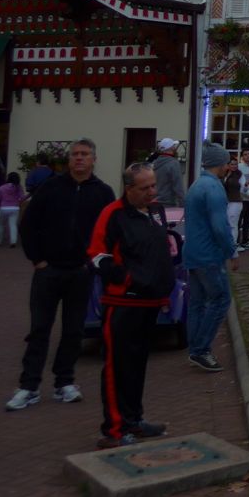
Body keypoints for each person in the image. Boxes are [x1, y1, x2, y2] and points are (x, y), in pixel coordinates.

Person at [7, 139, 114, 412]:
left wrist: (95, 263)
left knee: (73, 330)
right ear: (69, 160)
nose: (79, 159)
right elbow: (29, 224)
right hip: (48, 271)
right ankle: (28, 386)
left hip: (81, 272)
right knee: (39, 329)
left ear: (93, 159)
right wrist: (38, 259)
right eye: (75, 154)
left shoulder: (102, 193)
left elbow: (110, 232)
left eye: (84, 154)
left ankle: (64, 382)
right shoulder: (50, 188)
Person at [89, 162, 175, 448]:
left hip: (150, 303)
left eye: (153, 185)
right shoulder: (112, 214)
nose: (152, 191)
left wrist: (162, 292)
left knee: (137, 365)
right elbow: (97, 255)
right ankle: (113, 430)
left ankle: (134, 420)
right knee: (118, 366)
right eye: (145, 188)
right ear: (129, 189)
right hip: (122, 303)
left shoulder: (155, 212)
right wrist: (128, 280)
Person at [184, 142, 240, 372]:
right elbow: (220, 226)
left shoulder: (197, 185)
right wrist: (232, 251)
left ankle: (195, 347)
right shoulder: (214, 188)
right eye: (227, 162)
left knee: (197, 303)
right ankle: (201, 350)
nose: (229, 166)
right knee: (220, 300)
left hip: (193, 252)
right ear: (221, 164)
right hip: (209, 255)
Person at [153, 137, 186, 208]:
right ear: (171, 148)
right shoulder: (173, 164)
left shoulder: (155, 163)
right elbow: (178, 186)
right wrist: (183, 204)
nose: (175, 148)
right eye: (173, 146)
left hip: (154, 202)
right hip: (168, 204)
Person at [0, 172, 25, 247]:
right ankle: (13, 241)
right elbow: (22, 197)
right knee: (13, 225)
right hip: (15, 208)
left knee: (0, 225)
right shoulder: (18, 187)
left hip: (3, 208)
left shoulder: (2, 187)